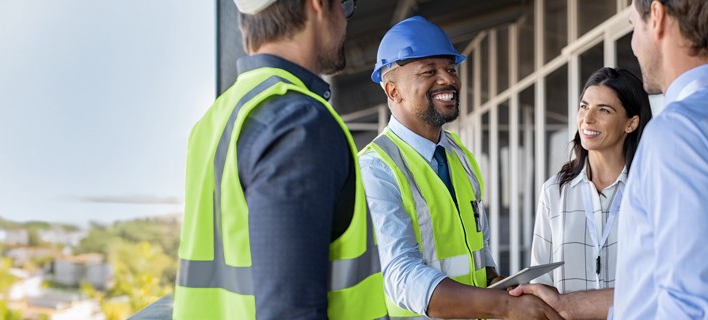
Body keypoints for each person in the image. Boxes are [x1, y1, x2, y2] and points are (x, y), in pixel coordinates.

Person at [511, 0, 708, 318]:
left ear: (656, 16)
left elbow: (689, 306)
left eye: (632, 25)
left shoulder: (678, 132)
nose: (634, 44)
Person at [173, 0, 387, 318]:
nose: (345, 19)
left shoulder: (216, 118)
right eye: (345, 5)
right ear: (317, 5)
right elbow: (290, 311)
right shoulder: (298, 123)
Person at [359, 16, 562, 320]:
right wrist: (506, 308)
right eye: (429, 72)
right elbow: (401, 275)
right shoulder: (376, 168)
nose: (448, 80)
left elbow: (480, 250)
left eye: (451, 69)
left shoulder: (459, 154)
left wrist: (500, 285)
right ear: (392, 91)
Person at [527, 67, 651, 296]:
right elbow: (540, 279)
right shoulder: (554, 191)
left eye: (603, 110)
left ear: (631, 123)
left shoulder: (651, 189)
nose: (588, 119)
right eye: (584, 106)